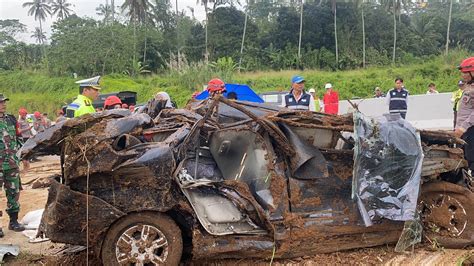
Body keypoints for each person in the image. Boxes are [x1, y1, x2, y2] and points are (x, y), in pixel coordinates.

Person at [0, 93, 26, 238]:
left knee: (14, 192)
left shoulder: (11, 119)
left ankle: (14, 221)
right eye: (1, 102)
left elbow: (18, 138)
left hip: (11, 164)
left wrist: (24, 156)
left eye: (4, 102)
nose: (3, 104)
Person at [454, 57, 474, 171]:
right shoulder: (468, 86)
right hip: (464, 130)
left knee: (472, 158)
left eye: (465, 72)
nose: (463, 75)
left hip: (470, 129)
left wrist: (463, 128)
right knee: (462, 158)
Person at [17, 108, 32, 173]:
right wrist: (27, 128)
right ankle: (25, 168)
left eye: (26, 114)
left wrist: (32, 134)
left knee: (28, 152)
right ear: (20, 114)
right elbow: (19, 131)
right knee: (24, 153)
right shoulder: (19, 121)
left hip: (28, 137)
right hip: (23, 138)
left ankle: (27, 168)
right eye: (24, 114)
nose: (25, 115)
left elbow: (30, 127)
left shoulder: (26, 119)